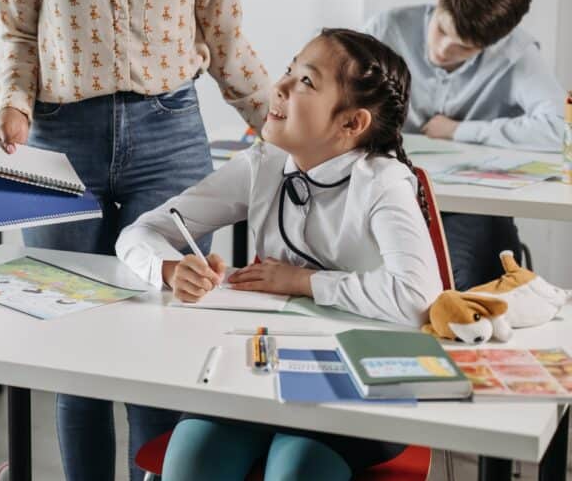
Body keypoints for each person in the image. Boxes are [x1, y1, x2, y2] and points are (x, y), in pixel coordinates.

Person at [0, 0, 271, 478]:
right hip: (60, 139)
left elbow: (225, 35)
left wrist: (280, 125)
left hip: (170, 133)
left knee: (162, 332)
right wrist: (15, 104)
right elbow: (19, 33)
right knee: (74, 339)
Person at [118, 29, 443, 481]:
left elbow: (418, 298)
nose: (281, 86)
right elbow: (141, 232)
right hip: (260, 372)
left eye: (306, 81)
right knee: (191, 459)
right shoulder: (263, 165)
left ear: (352, 123)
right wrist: (169, 269)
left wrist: (303, 282)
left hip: (360, 381)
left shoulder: (382, 182)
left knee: (296, 469)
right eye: (289, 70)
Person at [363, 0, 564, 288]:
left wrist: (459, 130)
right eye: (441, 30)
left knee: (474, 274)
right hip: (386, 190)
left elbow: (560, 128)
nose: (443, 50)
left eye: (464, 48)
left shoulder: (516, 54)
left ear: (494, 43)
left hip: (470, 206)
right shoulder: (387, 28)